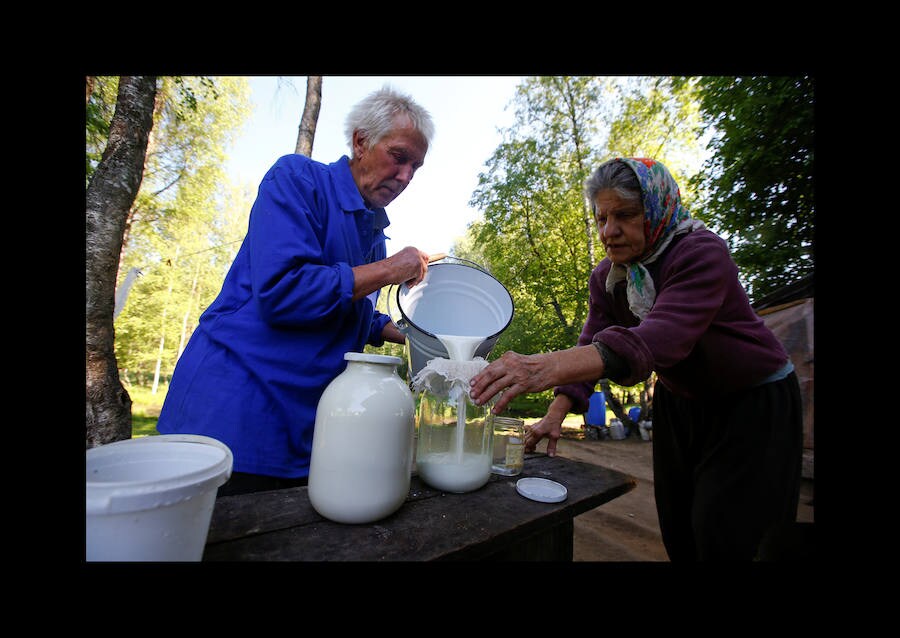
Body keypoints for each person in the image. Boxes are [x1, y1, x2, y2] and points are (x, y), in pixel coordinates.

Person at [469, 157, 803, 561]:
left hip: (751, 402)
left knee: (728, 533)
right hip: (680, 403)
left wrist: (543, 366)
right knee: (679, 526)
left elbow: (661, 337)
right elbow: (592, 337)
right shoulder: (608, 276)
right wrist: (557, 410)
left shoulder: (699, 253)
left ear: (658, 208)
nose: (610, 232)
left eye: (625, 215)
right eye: (601, 218)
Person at [157, 86, 436, 496]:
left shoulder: (374, 233)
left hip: (307, 427)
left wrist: (405, 332)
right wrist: (391, 269)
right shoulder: (298, 180)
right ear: (361, 141)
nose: (406, 176)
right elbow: (284, 291)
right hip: (235, 415)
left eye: (416, 167)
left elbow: (348, 307)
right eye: (398, 157)